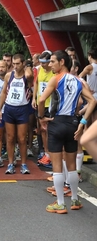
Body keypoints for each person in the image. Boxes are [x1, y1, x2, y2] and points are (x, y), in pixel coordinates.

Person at [39, 50, 96, 214]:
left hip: (56, 122)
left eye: (52, 61)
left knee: (57, 166)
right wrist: (83, 121)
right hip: (72, 122)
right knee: (71, 166)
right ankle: (75, 199)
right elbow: (92, 101)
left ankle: (60, 203)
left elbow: (42, 99)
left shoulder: (55, 79)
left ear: (62, 62)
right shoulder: (78, 80)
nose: (50, 64)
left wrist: (41, 116)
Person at [0, 54, 33, 174]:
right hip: (9, 108)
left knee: (22, 138)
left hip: (22, 109)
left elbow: (29, 74)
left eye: (18, 64)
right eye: (13, 64)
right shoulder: (9, 75)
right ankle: (10, 163)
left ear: (23, 63)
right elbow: (3, 92)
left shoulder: (27, 76)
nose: (15, 66)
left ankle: (23, 163)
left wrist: (27, 67)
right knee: (10, 137)